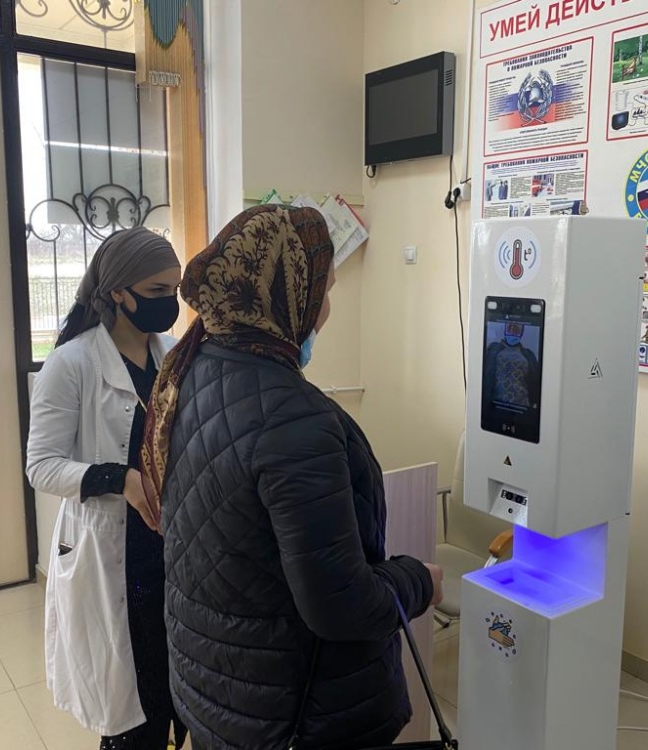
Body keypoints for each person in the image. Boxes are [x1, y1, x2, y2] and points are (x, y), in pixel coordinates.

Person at [141, 205, 443, 750]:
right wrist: (419, 580)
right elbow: (339, 606)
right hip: (294, 717)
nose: (327, 309)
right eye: (324, 290)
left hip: (215, 693)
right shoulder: (297, 421)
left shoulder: (188, 373)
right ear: (287, 293)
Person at [26, 228, 186, 749]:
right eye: (157, 291)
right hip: (111, 549)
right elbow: (41, 466)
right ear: (118, 291)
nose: (169, 303)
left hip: (168, 545)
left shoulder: (172, 356)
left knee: (167, 689)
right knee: (128, 709)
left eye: (174, 290)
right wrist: (118, 479)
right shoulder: (71, 364)